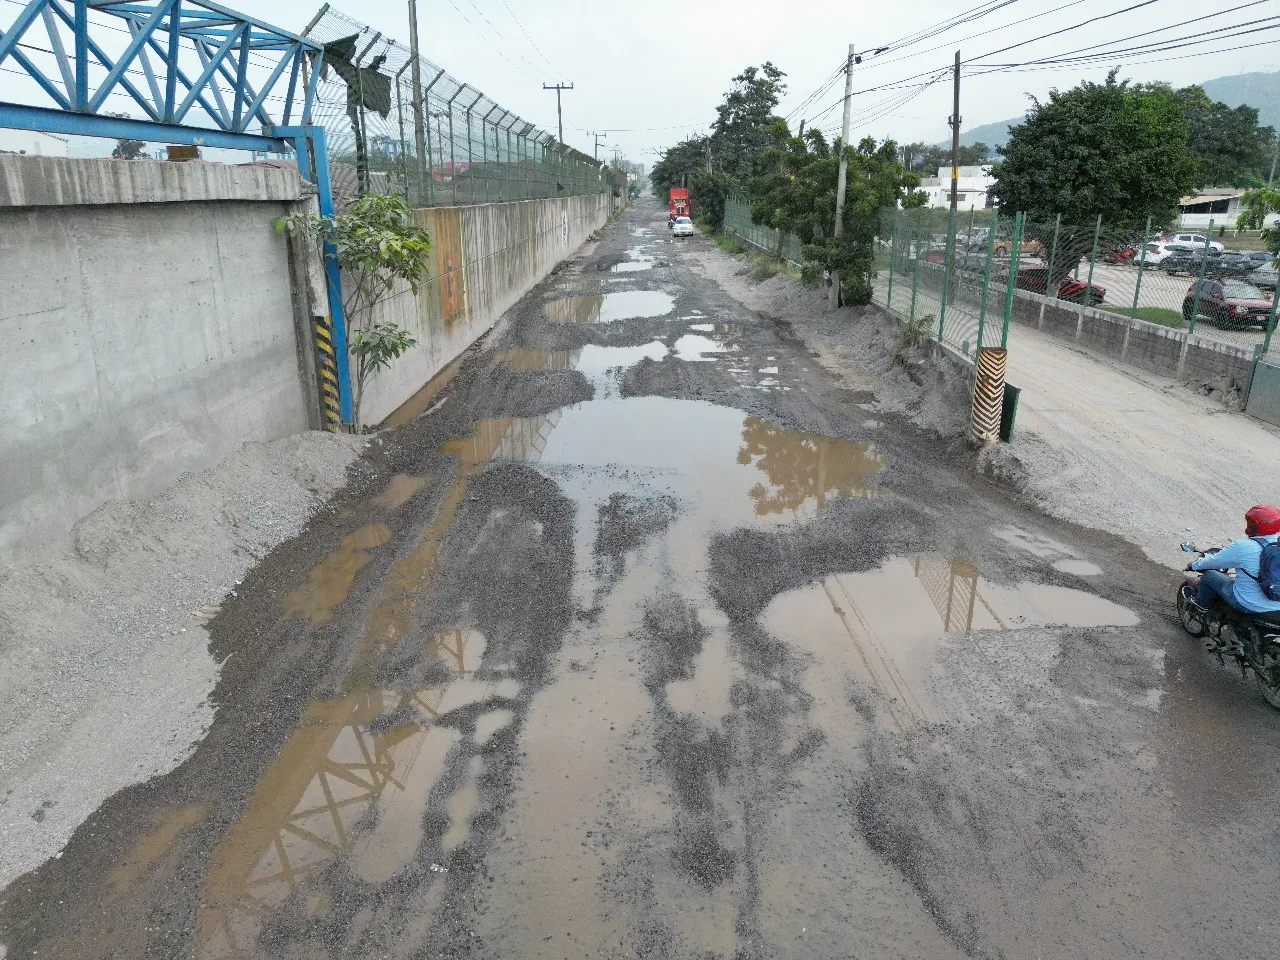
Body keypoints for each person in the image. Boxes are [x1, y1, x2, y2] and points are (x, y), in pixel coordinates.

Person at [1188, 505, 1280, 615]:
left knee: (1209, 576)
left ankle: (1202, 607)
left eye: (1251, 523)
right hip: (1277, 607)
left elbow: (1214, 561)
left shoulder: (1244, 546)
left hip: (1249, 603)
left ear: (1255, 525)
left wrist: (1193, 565)